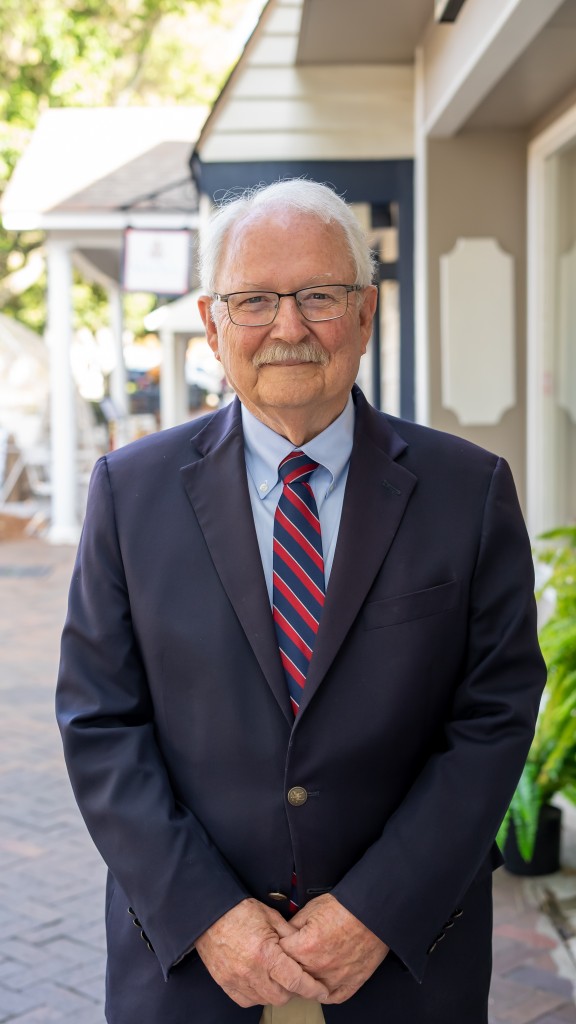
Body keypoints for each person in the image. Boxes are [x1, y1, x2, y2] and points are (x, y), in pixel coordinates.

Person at [56, 179, 546, 1024]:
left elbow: (494, 716)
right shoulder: (128, 494)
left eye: (319, 295)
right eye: (254, 300)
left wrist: (376, 911)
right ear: (214, 325)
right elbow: (100, 722)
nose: (288, 327)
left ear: (364, 312)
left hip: (404, 964)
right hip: (190, 968)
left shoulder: (469, 490)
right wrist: (208, 915)